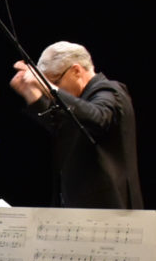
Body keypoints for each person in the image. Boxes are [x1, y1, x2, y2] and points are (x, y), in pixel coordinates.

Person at [10, 40, 143, 209]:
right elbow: (61, 126)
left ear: (76, 71)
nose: (50, 90)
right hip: (80, 209)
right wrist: (31, 93)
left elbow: (97, 117)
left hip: (110, 209)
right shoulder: (77, 103)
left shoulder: (110, 91)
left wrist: (48, 87)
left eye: (55, 81)